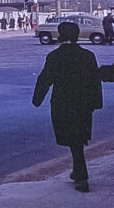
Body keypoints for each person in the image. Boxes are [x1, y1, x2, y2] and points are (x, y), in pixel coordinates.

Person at [32, 21, 102, 193]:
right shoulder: (88, 55)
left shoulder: (55, 56)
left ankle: (81, 175)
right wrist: (96, 103)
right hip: (84, 103)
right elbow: (95, 81)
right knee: (77, 139)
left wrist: (37, 99)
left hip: (62, 103)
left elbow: (45, 79)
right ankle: (78, 172)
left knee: (73, 140)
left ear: (60, 35)